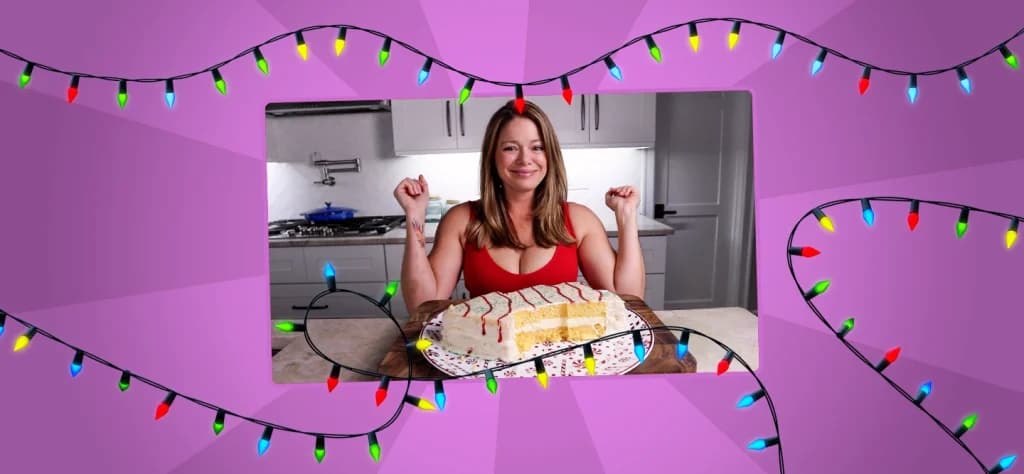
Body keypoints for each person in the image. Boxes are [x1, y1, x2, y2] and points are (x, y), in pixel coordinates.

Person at [393, 99, 645, 316]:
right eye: (510, 148)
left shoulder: (579, 220)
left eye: (537, 148)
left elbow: (628, 300)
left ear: (550, 156)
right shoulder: (461, 220)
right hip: (485, 360)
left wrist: (627, 215)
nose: (525, 159)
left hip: (559, 361)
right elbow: (421, 306)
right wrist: (415, 215)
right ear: (493, 156)